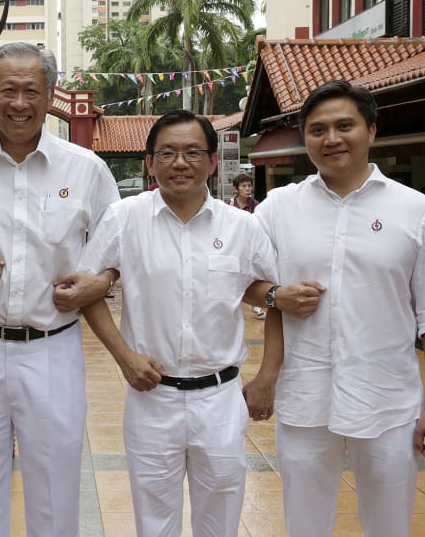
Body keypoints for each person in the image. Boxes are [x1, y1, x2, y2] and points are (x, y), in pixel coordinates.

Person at [0, 42, 120, 537]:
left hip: (53, 348)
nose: (18, 102)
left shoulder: (86, 169)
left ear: (50, 95)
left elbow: (119, 252)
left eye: (31, 90)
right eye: (7, 89)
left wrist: (99, 281)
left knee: (56, 484)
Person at [77, 110, 281, 536]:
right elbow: (87, 291)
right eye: (166, 153)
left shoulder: (242, 226)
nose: (179, 163)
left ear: (212, 162)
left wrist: (266, 377)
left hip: (221, 399)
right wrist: (125, 358)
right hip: (153, 396)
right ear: (150, 162)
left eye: (192, 152)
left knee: (220, 519)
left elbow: (274, 296)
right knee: (154, 523)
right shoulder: (124, 218)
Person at [244, 79, 425, 537]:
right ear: (305, 138)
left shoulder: (415, 210)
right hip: (306, 395)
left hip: (387, 399)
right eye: (317, 129)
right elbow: (239, 278)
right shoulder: (278, 209)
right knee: (305, 523)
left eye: (345, 126)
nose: (331, 139)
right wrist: (275, 295)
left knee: (388, 524)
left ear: (372, 130)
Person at [226, 172, 267, 319]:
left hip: (250, 244)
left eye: (249, 186)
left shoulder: (256, 205)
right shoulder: (229, 205)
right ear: (236, 188)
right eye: (244, 186)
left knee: (252, 272)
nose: (247, 189)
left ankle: (256, 306)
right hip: (233, 244)